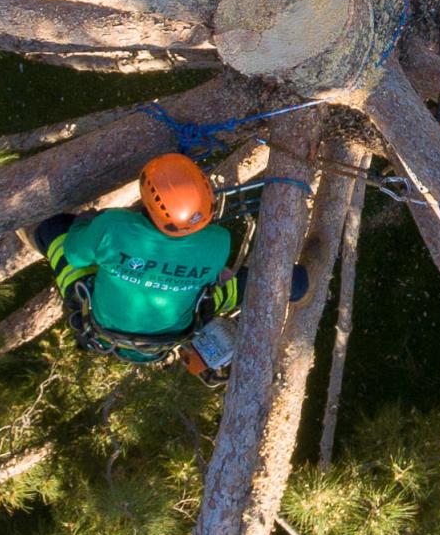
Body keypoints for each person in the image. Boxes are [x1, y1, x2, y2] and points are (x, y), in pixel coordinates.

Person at [29, 153, 300, 373]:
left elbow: (76, 254)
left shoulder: (114, 227)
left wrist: (88, 225)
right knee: (291, 283)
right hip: (170, 328)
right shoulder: (218, 241)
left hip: (103, 324)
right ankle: (300, 286)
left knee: (52, 230)